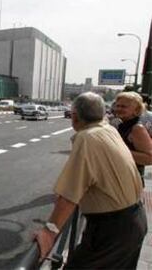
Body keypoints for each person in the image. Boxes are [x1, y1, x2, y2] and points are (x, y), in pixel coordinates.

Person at [34, 92, 147, 269]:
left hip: (112, 229)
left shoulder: (87, 137)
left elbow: (70, 193)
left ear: (75, 116)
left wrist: (50, 231)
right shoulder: (108, 129)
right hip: (134, 218)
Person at [114, 92, 152, 185]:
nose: (119, 109)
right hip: (122, 179)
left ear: (136, 110)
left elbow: (149, 158)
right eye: (117, 106)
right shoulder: (122, 125)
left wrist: (117, 151)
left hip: (130, 181)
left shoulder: (137, 128)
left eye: (123, 107)